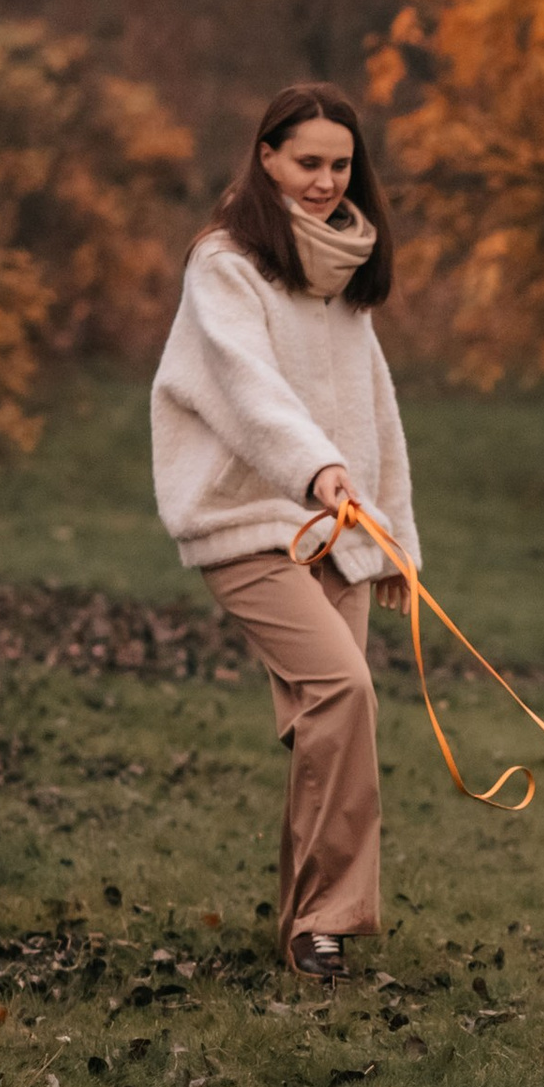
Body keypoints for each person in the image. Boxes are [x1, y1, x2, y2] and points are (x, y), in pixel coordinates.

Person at [151, 82, 418, 980]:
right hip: (248, 521)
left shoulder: (345, 273)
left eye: (341, 164)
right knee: (342, 694)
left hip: (339, 528)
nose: (325, 180)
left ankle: (310, 929)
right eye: (308, 162)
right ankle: (325, 921)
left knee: (326, 723)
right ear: (266, 157)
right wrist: (314, 469)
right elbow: (247, 388)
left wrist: (394, 542)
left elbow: (376, 412)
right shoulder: (225, 265)